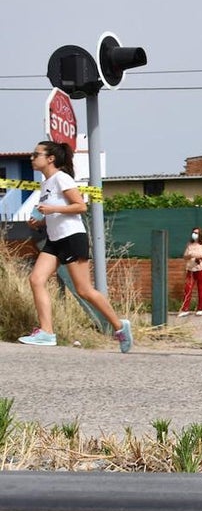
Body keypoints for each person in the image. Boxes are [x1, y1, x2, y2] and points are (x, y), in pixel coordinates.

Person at [19, 141, 134, 353]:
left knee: (84, 290)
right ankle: (47, 333)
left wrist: (51, 209)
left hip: (72, 238)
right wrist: (40, 222)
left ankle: (120, 326)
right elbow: (56, 214)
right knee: (36, 279)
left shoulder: (61, 178)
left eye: (36, 154)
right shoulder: (45, 184)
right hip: (55, 240)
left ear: (51, 158)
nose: (32, 157)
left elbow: (80, 206)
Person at [178, 226, 202, 317]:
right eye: (193, 232)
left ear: (200, 234)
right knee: (188, 288)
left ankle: (200, 308)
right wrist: (189, 256)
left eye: (196, 233)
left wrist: (200, 256)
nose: (194, 234)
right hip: (190, 268)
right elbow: (185, 256)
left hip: (201, 267)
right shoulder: (189, 244)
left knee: (200, 288)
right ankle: (185, 309)